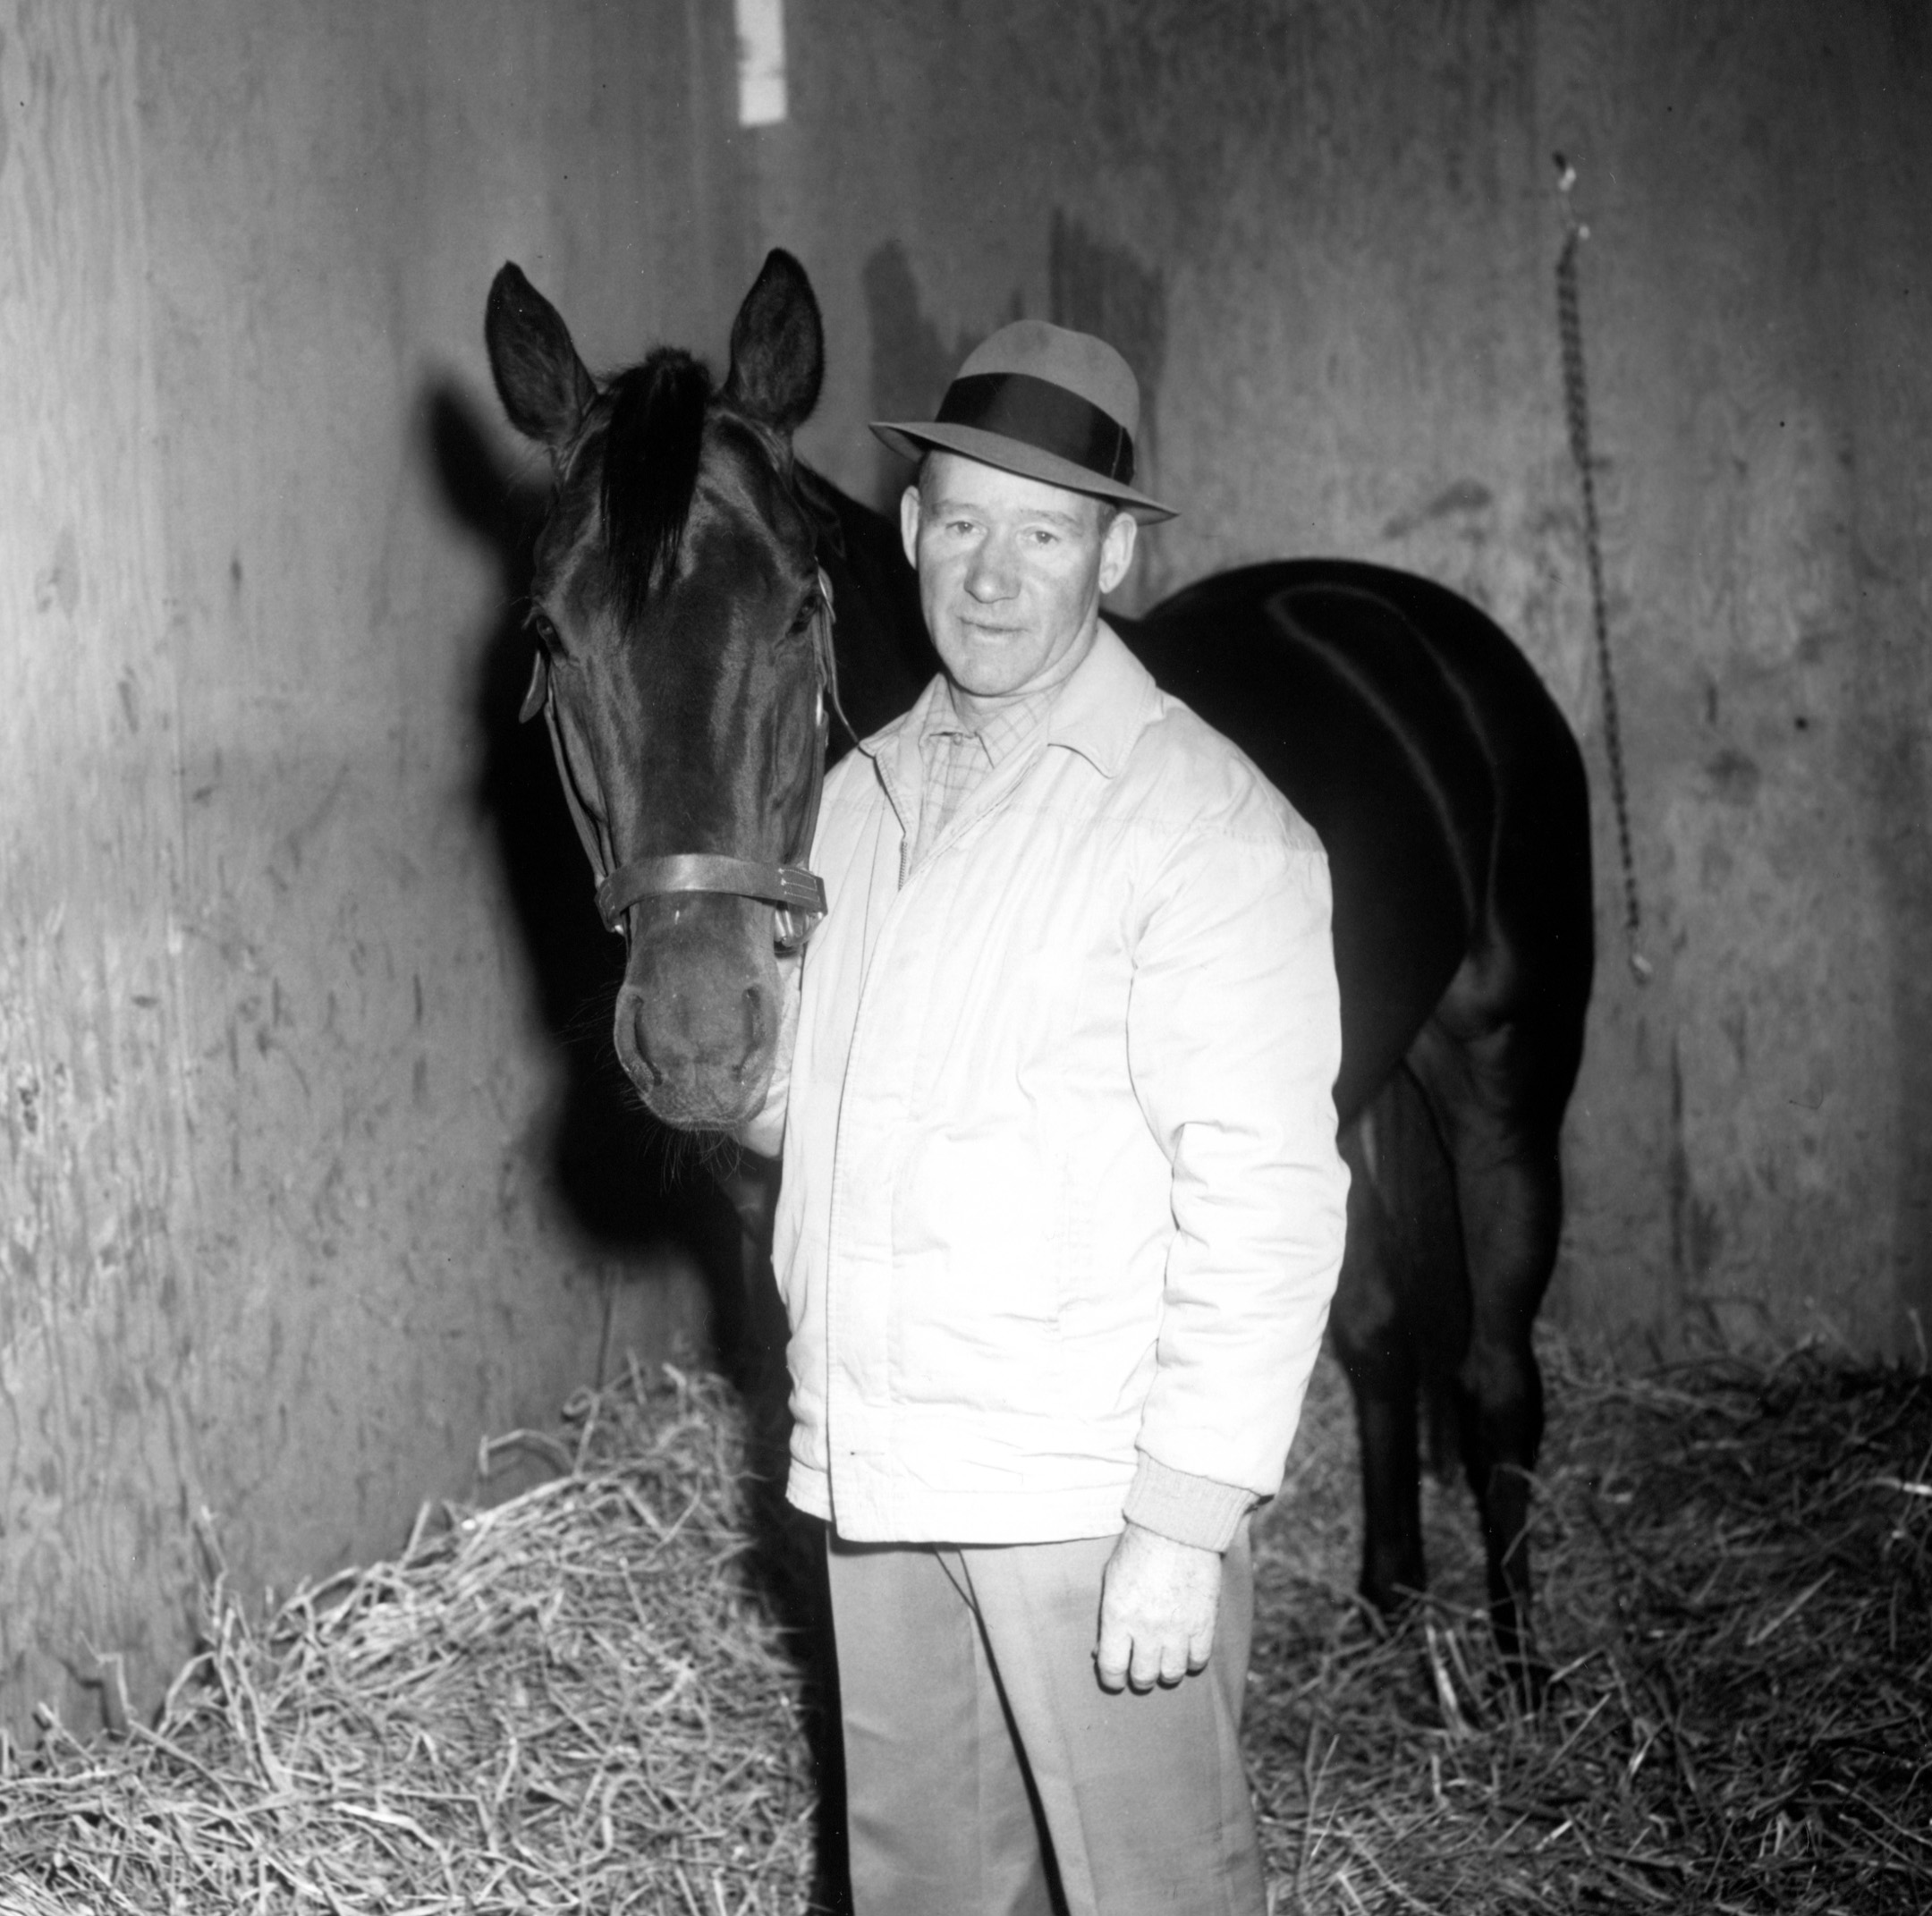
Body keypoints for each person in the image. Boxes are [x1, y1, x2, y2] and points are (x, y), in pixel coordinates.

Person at [740, 318, 1349, 1915]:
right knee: (924, 1894)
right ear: (907, 530)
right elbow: (825, 1106)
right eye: (962, 523)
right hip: (879, 1477)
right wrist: (707, 1057)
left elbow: (1269, 1196)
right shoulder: (852, 802)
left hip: (1086, 1499)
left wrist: (1180, 1520)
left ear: (1117, 561)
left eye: (1046, 533)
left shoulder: (1205, 824)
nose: (992, 574)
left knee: (1157, 1890)